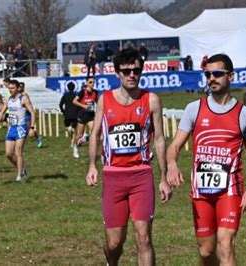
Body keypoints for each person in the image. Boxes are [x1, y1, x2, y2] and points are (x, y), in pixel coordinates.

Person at [166, 54, 246, 265]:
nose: (212, 78)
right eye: (208, 74)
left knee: (225, 244)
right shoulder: (194, 109)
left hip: (230, 190)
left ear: (230, 76)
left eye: (217, 73)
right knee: (206, 252)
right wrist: (172, 165)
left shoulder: (244, 115)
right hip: (201, 191)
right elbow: (174, 146)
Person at [85, 47, 172, 265]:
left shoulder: (151, 100)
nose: (132, 75)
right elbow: (94, 134)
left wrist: (163, 177)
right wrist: (92, 167)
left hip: (141, 175)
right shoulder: (105, 100)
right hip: (113, 176)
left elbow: (159, 138)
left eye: (137, 70)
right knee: (114, 243)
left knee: (143, 238)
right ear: (117, 73)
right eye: (126, 71)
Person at [0, 80, 36, 182]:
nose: (10, 90)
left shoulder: (23, 98)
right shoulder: (9, 99)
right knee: (8, 154)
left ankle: (19, 176)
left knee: (18, 152)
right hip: (11, 128)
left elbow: (33, 113)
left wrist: (32, 128)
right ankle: (22, 169)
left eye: (12, 88)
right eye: (9, 88)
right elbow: (2, 113)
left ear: (17, 88)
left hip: (21, 128)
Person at [72, 77, 97, 158]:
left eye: (93, 82)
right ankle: (75, 148)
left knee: (94, 133)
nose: (92, 84)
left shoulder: (95, 92)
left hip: (91, 115)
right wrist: (84, 106)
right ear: (86, 83)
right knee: (79, 134)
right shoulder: (82, 92)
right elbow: (74, 101)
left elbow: (97, 102)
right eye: (90, 82)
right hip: (82, 115)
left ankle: (91, 150)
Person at [59, 82, 80, 158]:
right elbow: (79, 104)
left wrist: (63, 111)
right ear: (74, 87)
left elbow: (60, 104)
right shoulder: (76, 95)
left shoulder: (65, 95)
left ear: (67, 87)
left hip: (67, 114)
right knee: (74, 129)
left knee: (67, 127)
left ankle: (69, 130)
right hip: (75, 114)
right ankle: (72, 143)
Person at [19, 82, 43, 148]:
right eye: (18, 86)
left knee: (29, 130)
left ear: (23, 87)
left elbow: (29, 104)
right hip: (21, 114)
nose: (19, 88)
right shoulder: (17, 95)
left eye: (20, 87)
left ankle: (38, 138)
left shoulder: (25, 95)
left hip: (27, 113)